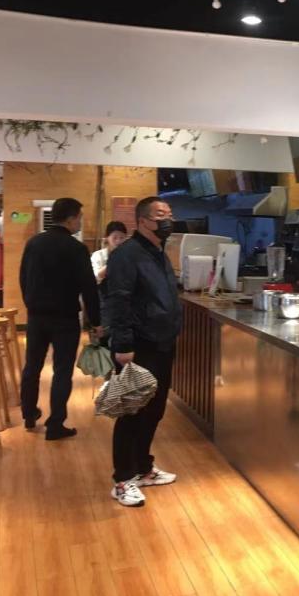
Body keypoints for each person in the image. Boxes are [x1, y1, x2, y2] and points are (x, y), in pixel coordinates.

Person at [105, 197, 181, 507]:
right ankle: (123, 480)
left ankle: (143, 468)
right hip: (138, 346)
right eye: (161, 214)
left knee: (154, 410)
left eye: (170, 213)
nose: (168, 219)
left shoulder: (158, 252)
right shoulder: (127, 254)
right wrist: (123, 345)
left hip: (162, 343)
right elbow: (118, 300)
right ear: (143, 221)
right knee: (132, 412)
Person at [19, 197, 100, 440]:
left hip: (37, 316)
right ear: (71, 218)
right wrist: (96, 321)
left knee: (32, 367)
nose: (80, 222)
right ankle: (55, 425)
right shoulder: (76, 249)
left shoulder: (34, 243)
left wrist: (31, 304)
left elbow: (24, 278)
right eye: (79, 217)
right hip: (65, 318)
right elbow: (89, 287)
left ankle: (29, 414)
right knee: (62, 371)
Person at [91, 221, 128, 343]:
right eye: (115, 237)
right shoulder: (99, 255)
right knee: (104, 336)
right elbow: (96, 276)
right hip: (104, 301)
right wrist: (113, 260)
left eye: (122, 237)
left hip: (124, 302)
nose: (118, 241)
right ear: (107, 238)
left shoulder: (129, 256)